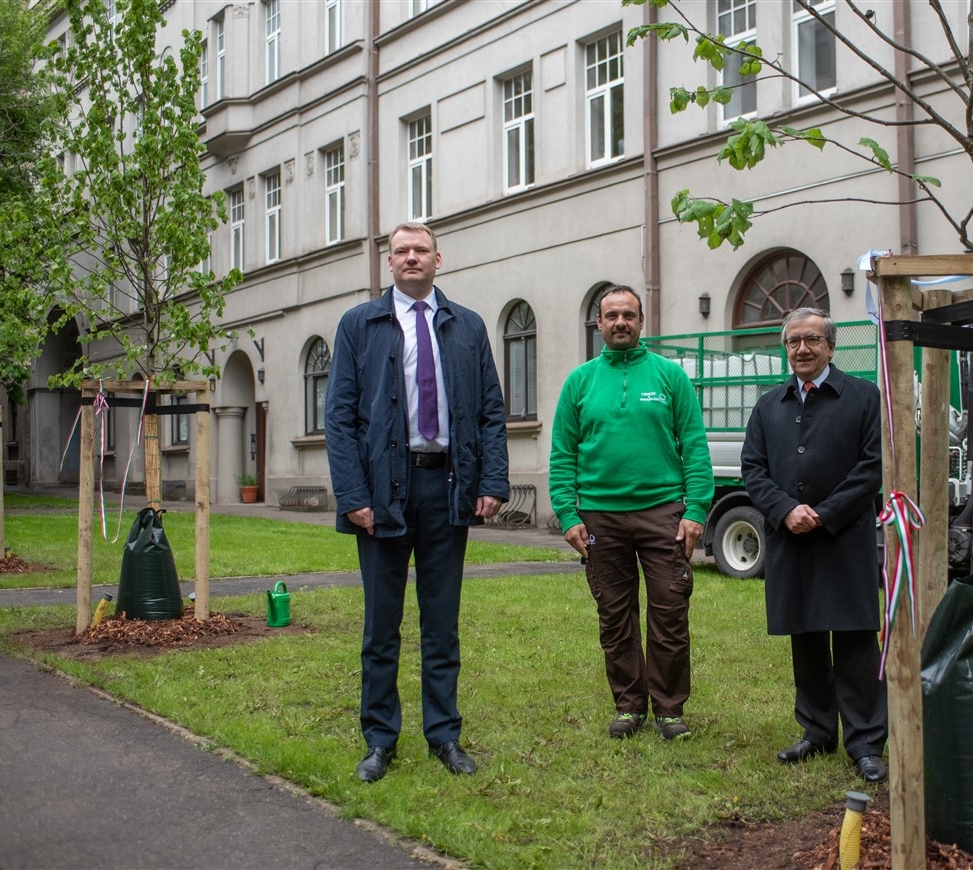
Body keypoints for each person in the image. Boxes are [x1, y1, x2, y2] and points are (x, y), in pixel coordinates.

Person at [326, 221, 509, 782]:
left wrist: (492, 482)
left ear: (439, 259)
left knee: (441, 623)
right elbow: (338, 416)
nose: (411, 258)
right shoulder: (359, 325)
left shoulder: (469, 327)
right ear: (389, 262)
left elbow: (490, 411)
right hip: (383, 491)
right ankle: (380, 740)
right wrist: (354, 494)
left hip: (447, 488)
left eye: (420, 251)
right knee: (381, 626)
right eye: (401, 251)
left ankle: (444, 735)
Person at [549, 285, 713, 741]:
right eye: (611, 315)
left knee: (669, 612)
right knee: (615, 616)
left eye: (628, 315)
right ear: (598, 324)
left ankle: (669, 709)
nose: (620, 322)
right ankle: (628, 706)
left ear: (642, 322)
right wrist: (567, 513)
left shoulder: (669, 377)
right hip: (598, 516)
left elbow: (694, 448)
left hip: (663, 513)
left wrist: (696, 508)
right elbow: (562, 453)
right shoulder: (579, 382)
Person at [740, 307, 888, 782]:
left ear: (831, 346)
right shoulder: (768, 405)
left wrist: (823, 513)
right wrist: (785, 509)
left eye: (811, 340)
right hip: (792, 540)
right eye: (793, 342)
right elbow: (753, 470)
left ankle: (865, 742)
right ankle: (816, 731)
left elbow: (872, 467)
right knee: (805, 638)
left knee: (855, 641)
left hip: (845, 538)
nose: (801, 349)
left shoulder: (864, 397)